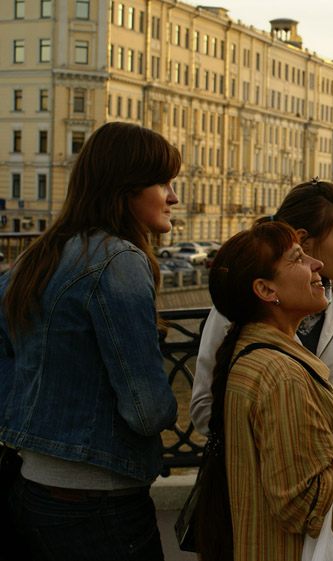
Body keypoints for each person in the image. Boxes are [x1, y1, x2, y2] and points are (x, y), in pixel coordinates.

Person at [0, 122, 180, 560]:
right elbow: (146, 410)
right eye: (162, 182)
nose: (173, 196)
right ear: (125, 188)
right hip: (100, 502)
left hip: (30, 488)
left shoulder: (33, 258)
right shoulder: (119, 260)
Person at [193, 220, 333, 561]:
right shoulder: (282, 376)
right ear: (267, 290)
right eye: (298, 258)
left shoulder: (253, 352)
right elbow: (300, 505)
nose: (316, 264)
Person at [191, 180, 333, 432]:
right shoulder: (242, 305)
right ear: (304, 241)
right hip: (261, 467)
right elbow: (204, 410)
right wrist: (298, 418)